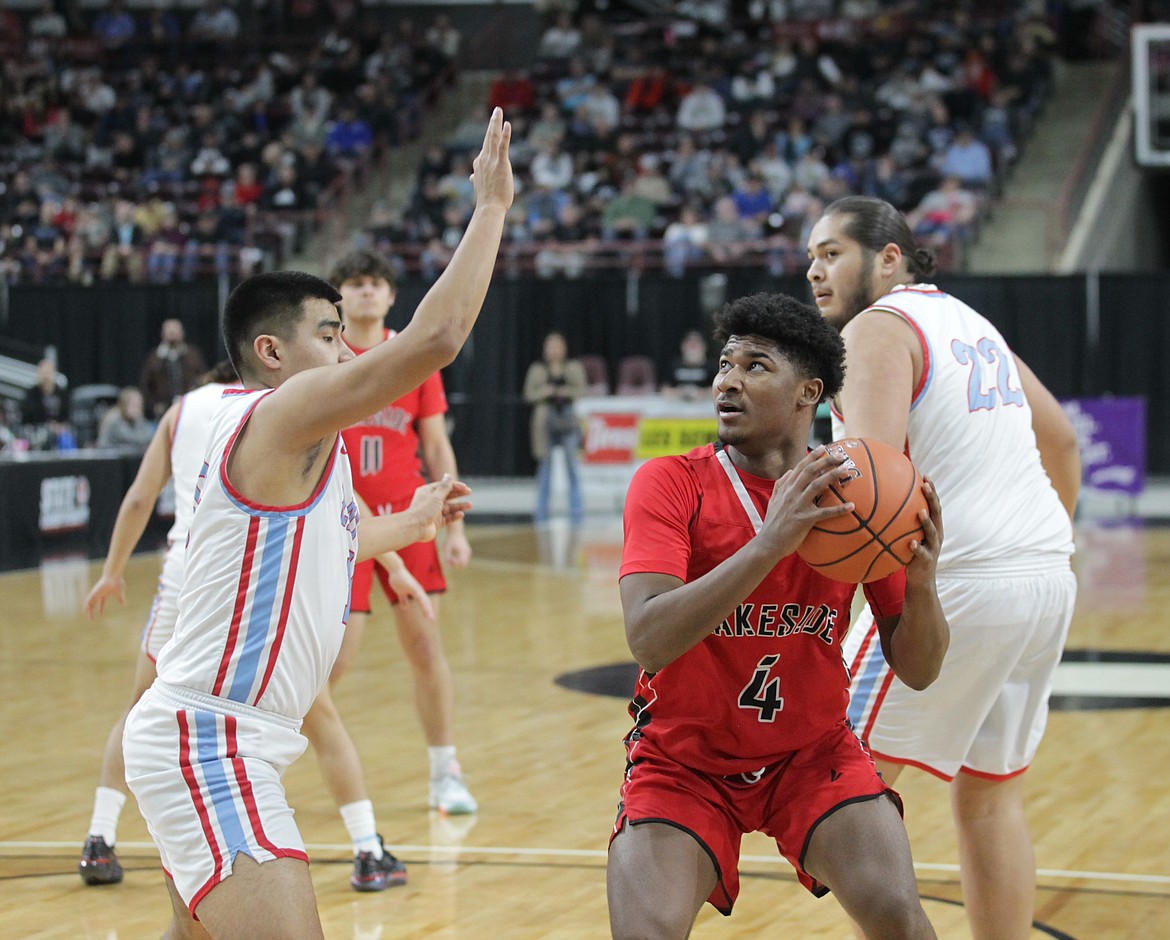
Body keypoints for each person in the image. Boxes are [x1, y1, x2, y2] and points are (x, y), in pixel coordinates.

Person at [120, 108, 512, 939]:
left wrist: (406, 523)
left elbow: (326, 546)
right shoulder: (284, 411)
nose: (348, 351)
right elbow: (437, 337)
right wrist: (491, 210)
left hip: (233, 740)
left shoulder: (309, 449)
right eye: (331, 335)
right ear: (272, 353)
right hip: (212, 743)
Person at [607, 292, 949, 940]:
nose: (727, 380)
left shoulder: (860, 496)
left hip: (810, 753)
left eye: (755, 366)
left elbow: (921, 668)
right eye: (725, 364)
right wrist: (770, 544)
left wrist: (925, 583)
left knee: (900, 916)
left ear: (808, 392)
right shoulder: (670, 482)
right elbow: (648, 638)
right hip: (684, 761)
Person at [805, 195, 1080, 940]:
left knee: (829, 797)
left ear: (890, 257)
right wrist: (1045, 540)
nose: (815, 269)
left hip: (957, 583)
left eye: (833, 252)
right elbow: (1061, 442)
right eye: (810, 256)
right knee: (990, 798)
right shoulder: (972, 323)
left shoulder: (877, 329)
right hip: (1045, 575)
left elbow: (868, 485)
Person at [80, 363, 427, 893]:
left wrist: (111, 572)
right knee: (321, 717)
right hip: (249, 581)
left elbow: (137, 498)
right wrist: (397, 565)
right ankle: (367, 847)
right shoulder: (282, 413)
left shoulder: (182, 411)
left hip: (185, 577)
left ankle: (99, 837)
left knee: (138, 708)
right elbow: (345, 509)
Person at [327, 248, 479, 816]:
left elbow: (436, 442)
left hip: (410, 521)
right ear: (340, 296)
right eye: (356, 282)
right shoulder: (328, 360)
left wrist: (455, 524)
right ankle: (271, 755)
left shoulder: (413, 357)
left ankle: (445, 772)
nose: (367, 292)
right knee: (334, 659)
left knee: (425, 648)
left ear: (392, 296)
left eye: (376, 283)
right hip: (346, 525)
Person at [523, 332, 586, 526]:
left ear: (564, 348)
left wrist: (565, 392)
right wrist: (547, 392)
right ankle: (541, 513)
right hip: (545, 424)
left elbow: (581, 390)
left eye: (558, 346)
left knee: (572, 468)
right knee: (545, 470)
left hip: (567, 423)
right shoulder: (537, 369)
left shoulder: (573, 367)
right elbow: (529, 394)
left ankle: (577, 513)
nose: (554, 350)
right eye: (550, 346)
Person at [139, 318, 208, 420]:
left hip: (190, 407)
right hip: (163, 410)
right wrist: (153, 405)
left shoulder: (193, 355)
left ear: (182, 333)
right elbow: (145, 384)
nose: (172, 334)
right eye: (169, 331)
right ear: (163, 334)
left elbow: (203, 378)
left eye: (175, 331)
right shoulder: (154, 358)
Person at [21, 357, 71, 447]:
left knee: (67, 438)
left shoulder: (62, 394)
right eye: (43, 373)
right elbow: (28, 416)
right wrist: (48, 426)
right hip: (38, 431)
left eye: (48, 372)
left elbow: (68, 415)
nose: (45, 376)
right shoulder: (32, 394)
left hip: (60, 430)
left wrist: (60, 426)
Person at [660, 329, 715, 401]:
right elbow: (664, 389)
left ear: (703, 347)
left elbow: (718, 390)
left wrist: (701, 393)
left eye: (696, 345)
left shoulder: (711, 367)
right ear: (683, 346)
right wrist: (679, 392)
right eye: (690, 345)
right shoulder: (675, 366)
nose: (693, 348)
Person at [96, 386, 156, 452]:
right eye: (134, 405)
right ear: (124, 405)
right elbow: (132, 439)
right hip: (108, 458)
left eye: (139, 406)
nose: (137, 410)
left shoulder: (137, 419)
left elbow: (150, 435)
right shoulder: (114, 419)